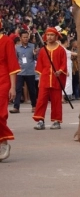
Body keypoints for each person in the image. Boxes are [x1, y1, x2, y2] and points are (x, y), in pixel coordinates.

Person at [33, 27, 68, 130]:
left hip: (56, 79)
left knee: (56, 100)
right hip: (44, 78)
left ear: (56, 36)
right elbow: (40, 66)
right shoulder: (43, 50)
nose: (49, 37)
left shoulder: (61, 50)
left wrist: (60, 71)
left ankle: (56, 121)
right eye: (48, 35)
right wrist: (40, 79)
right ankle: (40, 120)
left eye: (52, 35)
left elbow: (64, 64)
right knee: (41, 100)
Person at [0, 20, 21, 162]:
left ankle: (4, 142)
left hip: (2, 81)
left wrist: (13, 87)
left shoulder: (7, 41)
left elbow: (13, 65)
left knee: (0, 114)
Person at [11, 30, 37, 114]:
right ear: (20, 38)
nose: (26, 39)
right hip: (20, 72)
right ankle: (16, 107)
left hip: (30, 71)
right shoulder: (17, 48)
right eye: (24, 37)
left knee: (32, 90)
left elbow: (36, 58)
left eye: (27, 37)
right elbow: (15, 59)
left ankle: (34, 106)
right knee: (18, 89)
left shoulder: (33, 46)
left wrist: (35, 54)